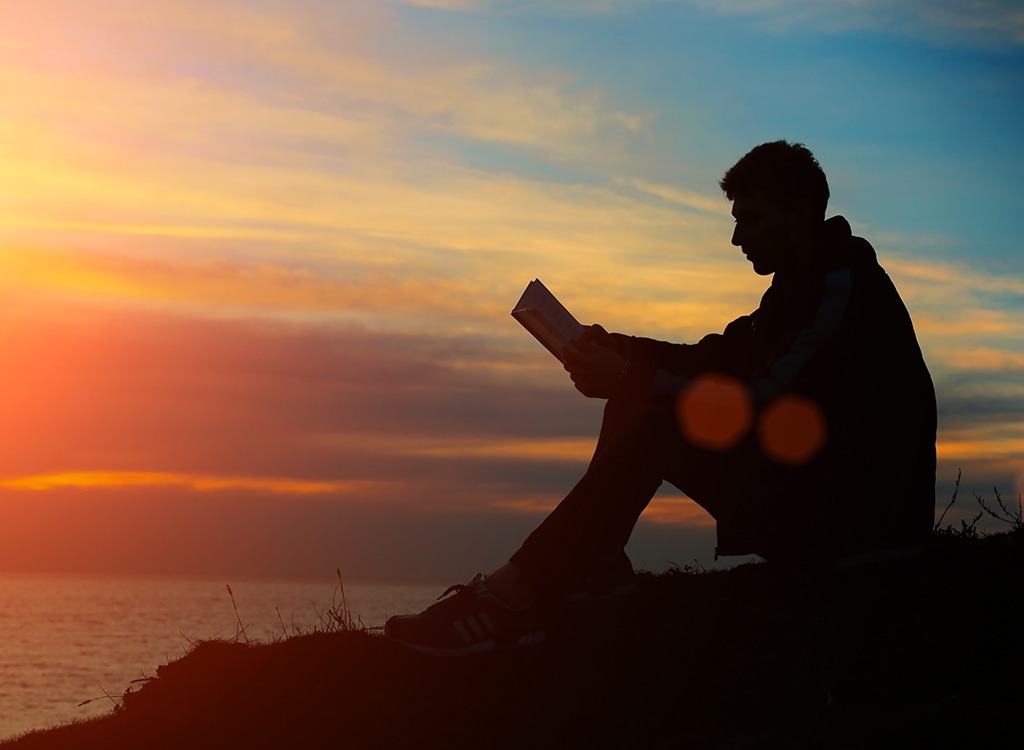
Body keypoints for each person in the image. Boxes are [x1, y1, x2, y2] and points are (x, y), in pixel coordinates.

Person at [385, 140, 937, 656]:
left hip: (859, 527)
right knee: (636, 402)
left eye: (751, 219)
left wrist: (628, 376)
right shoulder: (801, 285)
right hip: (818, 496)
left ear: (800, 215)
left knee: (656, 418)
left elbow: (757, 400)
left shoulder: (840, 290)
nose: (737, 238)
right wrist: (616, 349)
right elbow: (715, 356)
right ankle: (597, 569)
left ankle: (519, 595)